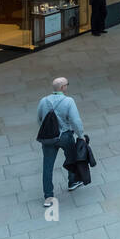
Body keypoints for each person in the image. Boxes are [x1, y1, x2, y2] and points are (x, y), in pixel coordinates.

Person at [36, 77, 85, 207]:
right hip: (65, 136)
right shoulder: (69, 101)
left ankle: (48, 196)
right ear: (63, 87)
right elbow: (75, 120)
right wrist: (81, 135)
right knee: (71, 159)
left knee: (47, 167)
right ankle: (72, 182)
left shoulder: (43, 101)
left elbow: (39, 119)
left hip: (48, 139)